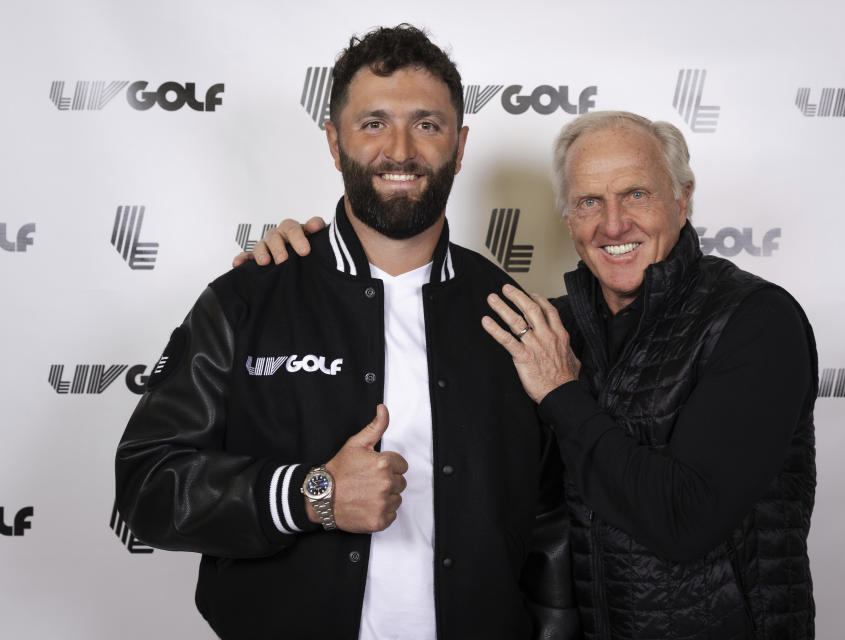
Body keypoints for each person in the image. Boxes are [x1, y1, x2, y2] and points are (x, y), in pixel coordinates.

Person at [255, 111, 818, 639]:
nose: (613, 223)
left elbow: (683, 521)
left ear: (683, 198)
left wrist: (560, 392)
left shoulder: (754, 320)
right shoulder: (547, 324)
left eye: (637, 195)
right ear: (567, 216)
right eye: (589, 202)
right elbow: (410, 337)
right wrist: (300, 271)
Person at [115, 25, 577, 640]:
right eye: (373, 123)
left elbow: (550, 517)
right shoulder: (249, 298)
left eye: (427, 125)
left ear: (460, 146)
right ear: (334, 142)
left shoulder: (513, 313)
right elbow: (147, 487)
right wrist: (312, 494)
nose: (401, 149)